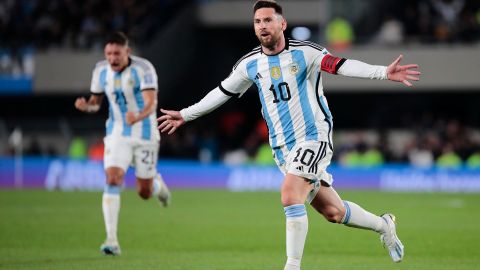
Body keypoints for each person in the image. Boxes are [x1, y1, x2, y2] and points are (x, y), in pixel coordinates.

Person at [158, 1, 420, 268]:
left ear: (282, 24)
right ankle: (384, 225)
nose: (263, 26)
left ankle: (292, 266)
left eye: (268, 20)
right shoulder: (250, 64)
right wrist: (186, 114)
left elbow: (340, 64)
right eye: (258, 22)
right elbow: (222, 92)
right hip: (282, 148)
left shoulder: (306, 53)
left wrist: (382, 73)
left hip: (313, 136)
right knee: (333, 212)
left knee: (289, 194)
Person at [74, 31, 171, 256]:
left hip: (145, 133)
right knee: (113, 177)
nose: (112, 58)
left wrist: (137, 116)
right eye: (108, 53)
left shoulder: (144, 69)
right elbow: (95, 103)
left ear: (127, 51)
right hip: (117, 131)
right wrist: (86, 106)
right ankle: (111, 240)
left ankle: (158, 186)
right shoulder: (100, 70)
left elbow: (151, 102)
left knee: (144, 192)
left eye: (117, 53)